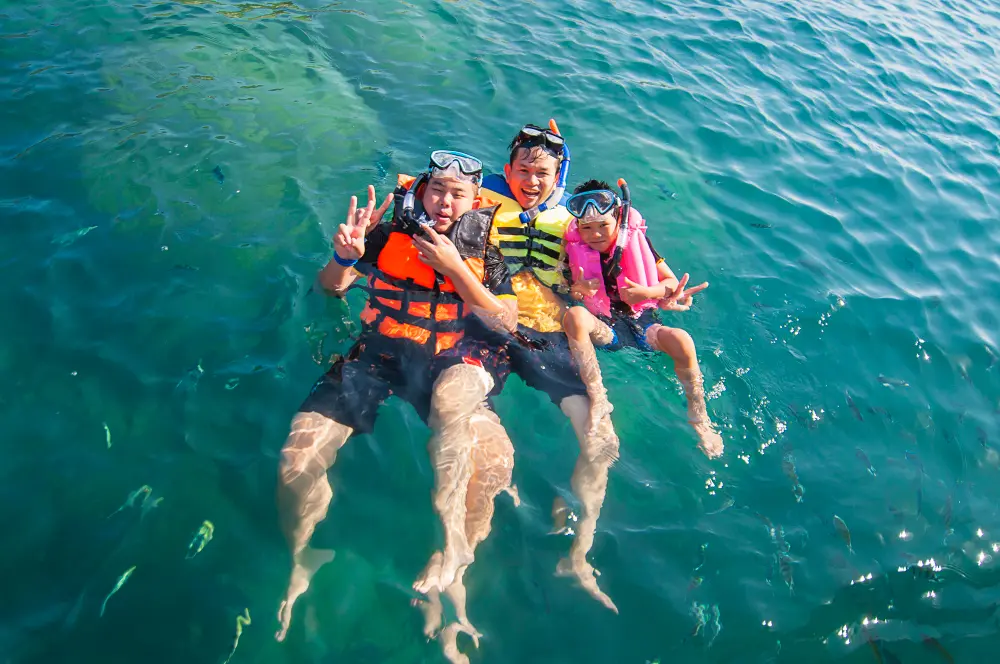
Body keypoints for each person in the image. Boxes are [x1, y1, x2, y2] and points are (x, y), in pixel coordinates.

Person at [275, 150, 520, 643]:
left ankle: (454, 566)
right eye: (436, 190)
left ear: (475, 201)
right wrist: (344, 257)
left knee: (494, 465)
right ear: (422, 192)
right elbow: (331, 291)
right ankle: (301, 558)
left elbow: (507, 324)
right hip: (378, 354)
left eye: (458, 195)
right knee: (293, 465)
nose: (444, 202)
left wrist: (457, 269)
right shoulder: (387, 235)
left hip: (452, 362)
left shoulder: (488, 254)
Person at [461, 121, 622, 613]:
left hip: (549, 333)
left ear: (559, 176)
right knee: (473, 433)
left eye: (544, 173)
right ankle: (460, 564)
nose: (532, 181)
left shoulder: (577, 221)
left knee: (602, 440)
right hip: (490, 329)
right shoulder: (478, 203)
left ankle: (578, 554)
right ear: (507, 170)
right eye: (524, 171)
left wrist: (659, 298)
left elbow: (623, 265)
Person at [563, 178, 724, 458]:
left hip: (643, 323)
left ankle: (700, 417)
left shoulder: (638, 241)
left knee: (682, 339)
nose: (595, 234)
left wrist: (648, 292)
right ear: (578, 228)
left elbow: (672, 283)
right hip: (605, 327)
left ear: (619, 221)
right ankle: (599, 399)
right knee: (575, 316)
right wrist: (578, 290)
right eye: (587, 228)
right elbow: (570, 290)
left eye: (603, 225)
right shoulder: (574, 249)